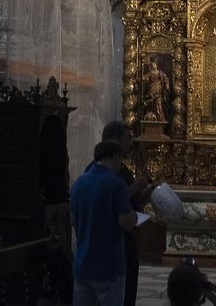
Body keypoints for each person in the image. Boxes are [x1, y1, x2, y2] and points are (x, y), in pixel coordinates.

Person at [70, 140, 138, 306]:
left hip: (83, 263)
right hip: (108, 265)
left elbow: (73, 220)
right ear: (116, 157)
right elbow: (125, 223)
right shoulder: (116, 184)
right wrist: (134, 216)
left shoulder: (79, 183)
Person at [88, 121, 149, 305]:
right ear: (114, 141)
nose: (130, 143)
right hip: (111, 250)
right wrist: (135, 187)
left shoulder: (85, 179)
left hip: (96, 254)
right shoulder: (110, 179)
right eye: (127, 139)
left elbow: (130, 201)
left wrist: (145, 192)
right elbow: (120, 214)